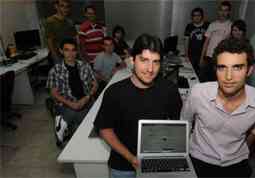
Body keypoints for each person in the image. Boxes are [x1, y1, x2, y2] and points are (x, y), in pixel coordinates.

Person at [94, 34, 182, 178]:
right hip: (123, 166)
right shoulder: (114, 92)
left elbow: (174, 125)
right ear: (132, 60)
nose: (150, 69)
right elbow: (105, 130)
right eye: (144, 60)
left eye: (156, 62)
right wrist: (131, 158)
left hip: (155, 163)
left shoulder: (170, 90)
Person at [181, 38, 255, 178]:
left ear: (249, 70)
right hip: (199, 157)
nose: (229, 77)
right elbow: (185, 122)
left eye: (237, 67)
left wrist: (239, 152)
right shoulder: (198, 92)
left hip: (236, 161)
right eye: (222, 67)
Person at [46, 38, 98, 140]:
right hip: (67, 104)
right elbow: (53, 93)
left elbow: (95, 84)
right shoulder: (55, 70)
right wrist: (71, 104)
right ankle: (64, 123)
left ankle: (67, 123)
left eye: (73, 50)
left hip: (86, 100)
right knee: (82, 134)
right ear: (61, 51)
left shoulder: (85, 66)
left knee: (99, 123)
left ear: (77, 51)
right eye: (67, 50)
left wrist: (87, 98)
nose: (70, 53)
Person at [200, 1, 232, 82]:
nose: (223, 13)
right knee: (204, 80)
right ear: (218, 11)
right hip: (208, 57)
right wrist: (201, 58)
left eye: (226, 10)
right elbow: (206, 42)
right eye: (221, 10)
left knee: (216, 82)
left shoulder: (231, 26)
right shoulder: (212, 24)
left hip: (220, 59)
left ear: (229, 12)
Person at [184, 7, 210, 78]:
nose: (196, 17)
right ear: (192, 17)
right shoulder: (189, 26)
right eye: (194, 15)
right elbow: (186, 41)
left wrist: (204, 57)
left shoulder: (207, 25)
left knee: (201, 75)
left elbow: (210, 41)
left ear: (202, 16)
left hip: (203, 55)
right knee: (190, 75)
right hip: (191, 55)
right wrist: (186, 55)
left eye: (198, 15)